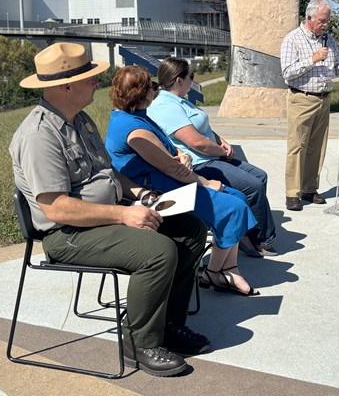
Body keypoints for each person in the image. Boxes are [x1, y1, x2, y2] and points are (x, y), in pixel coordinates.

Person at [9, 42, 210, 378]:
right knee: (158, 252)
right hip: (67, 235)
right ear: (65, 86)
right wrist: (124, 215)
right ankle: (138, 342)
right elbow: (56, 208)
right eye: (89, 77)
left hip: (104, 217)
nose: (97, 83)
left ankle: (167, 325)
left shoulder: (80, 120)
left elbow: (108, 173)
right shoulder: (39, 135)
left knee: (190, 231)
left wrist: (141, 195)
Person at [104, 65, 260, 297]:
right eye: (152, 86)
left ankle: (222, 269)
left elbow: (169, 150)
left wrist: (182, 153)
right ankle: (220, 271)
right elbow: (170, 167)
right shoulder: (134, 130)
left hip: (168, 182)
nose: (155, 91)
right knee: (233, 205)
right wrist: (205, 182)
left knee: (236, 197)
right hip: (159, 192)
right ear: (141, 92)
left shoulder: (135, 117)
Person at [149, 57, 278, 258]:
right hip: (200, 163)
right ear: (178, 80)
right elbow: (196, 142)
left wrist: (221, 140)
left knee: (260, 176)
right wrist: (222, 151)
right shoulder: (166, 106)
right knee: (252, 187)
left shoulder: (181, 100)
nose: (193, 80)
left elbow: (203, 128)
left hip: (211, 156)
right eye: (191, 76)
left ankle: (248, 230)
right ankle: (259, 240)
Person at [280, 0, 339, 211]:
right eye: (322, 21)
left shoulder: (329, 39)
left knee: (317, 147)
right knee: (297, 146)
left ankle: (309, 189)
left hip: (324, 99)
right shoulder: (293, 40)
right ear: (309, 18)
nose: (326, 25)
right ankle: (292, 194)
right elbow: (287, 72)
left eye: (328, 21)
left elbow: (335, 64)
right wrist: (312, 59)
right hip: (302, 98)